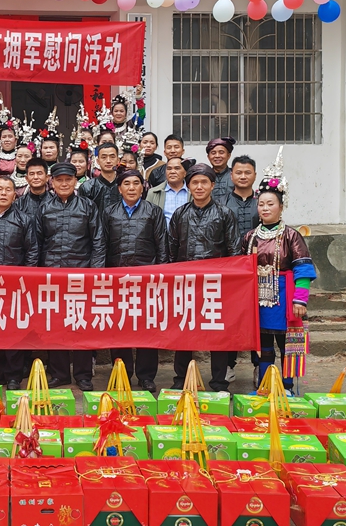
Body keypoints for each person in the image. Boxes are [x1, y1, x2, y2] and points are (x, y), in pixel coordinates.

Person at [241, 150, 316, 391]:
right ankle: (265, 386)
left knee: (286, 345)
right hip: (257, 298)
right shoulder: (250, 237)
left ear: (281, 207)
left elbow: (303, 268)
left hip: (285, 297)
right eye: (261, 204)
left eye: (270, 204)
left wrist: (300, 300)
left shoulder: (291, 236)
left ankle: (286, 387)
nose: (265, 208)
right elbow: (241, 269)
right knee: (263, 346)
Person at [166, 164, 240, 393]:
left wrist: (231, 282)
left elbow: (234, 250)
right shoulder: (180, 214)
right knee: (184, 331)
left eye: (204, 182)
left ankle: (219, 382)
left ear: (212, 185)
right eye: (195, 182)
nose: (199, 187)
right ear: (188, 186)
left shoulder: (225, 214)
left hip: (216, 284)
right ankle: (181, 379)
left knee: (218, 333)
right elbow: (171, 250)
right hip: (186, 283)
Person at [39, 162, 106, 391]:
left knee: (81, 325)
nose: (64, 184)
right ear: (52, 183)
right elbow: (37, 242)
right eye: (59, 180)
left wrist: (95, 274)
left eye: (68, 179)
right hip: (53, 276)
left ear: (75, 181)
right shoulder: (44, 208)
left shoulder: (88, 206)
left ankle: (83, 374)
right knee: (56, 325)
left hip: (81, 275)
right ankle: (59, 373)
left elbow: (98, 241)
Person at [103, 169, 168, 393]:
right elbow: (102, 245)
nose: (131, 188)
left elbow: (162, 245)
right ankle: (121, 372)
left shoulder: (154, 211)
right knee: (119, 327)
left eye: (136, 183)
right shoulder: (109, 212)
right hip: (117, 280)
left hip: (146, 280)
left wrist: (161, 275)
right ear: (119, 189)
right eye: (127, 184)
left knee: (146, 328)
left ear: (143, 187)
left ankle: (146, 376)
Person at [0, 176, 41, 390]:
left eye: (8, 190)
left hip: (15, 287)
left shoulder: (24, 220)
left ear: (15, 195)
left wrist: (26, 280)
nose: (3, 193)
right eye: (0, 189)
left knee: (14, 331)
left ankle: (14, 375)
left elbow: (32, 251)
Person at [147, 157, 192, 225]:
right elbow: (147, 219)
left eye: (177, 168)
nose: (172, 172)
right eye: (169, 168)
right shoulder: (153, 192)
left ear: (185, 173)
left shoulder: (193, 192)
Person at [80, 142, 121, 212]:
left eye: (112, 157)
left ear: (118, 160)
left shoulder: (124, 186)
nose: (108, 161)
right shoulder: (87, 187)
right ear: (98, 161)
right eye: (104, 157)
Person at [227, 154, 260, 239]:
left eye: (247, 173)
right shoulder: (221, 203)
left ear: (255, 175)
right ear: (231, 175)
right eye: (238, 173)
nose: (243, 177)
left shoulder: (261, 202)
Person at [206, 137, 236, 204]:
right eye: (213, 153)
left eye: (221, 152)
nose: (217, 156)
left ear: (228, 155)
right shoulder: (205, 176)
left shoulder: (235, 175)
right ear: (208, 157)